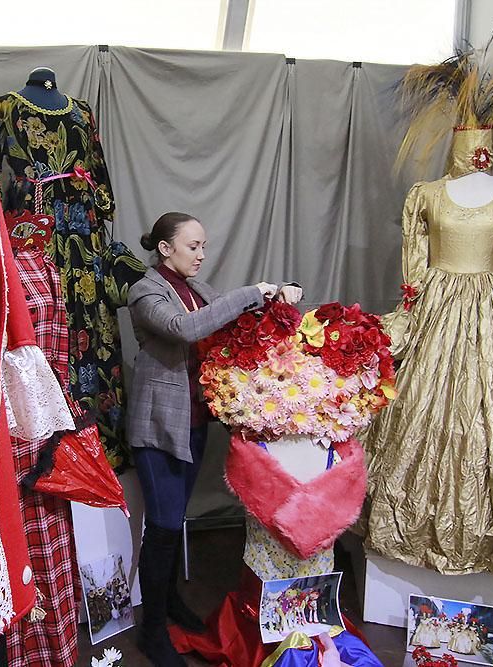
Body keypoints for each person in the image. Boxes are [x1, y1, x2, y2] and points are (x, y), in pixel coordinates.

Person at [127, 212, 303, 666]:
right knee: (163, 528)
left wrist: (275, 300)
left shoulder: (198, 291)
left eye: (204, 245)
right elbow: (187, 329)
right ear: (165, 249)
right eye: (193, 247)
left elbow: (228, 318)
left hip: (194, 423)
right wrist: (251, 293)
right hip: (158, 429)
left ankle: (167, 605)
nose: (202, 255)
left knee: (174, 522)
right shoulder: (145, 290)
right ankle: (152, 632)